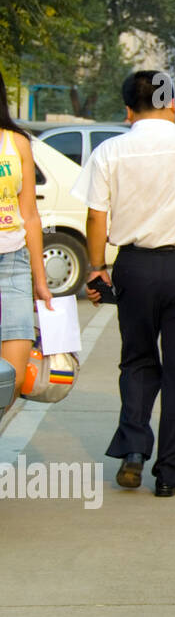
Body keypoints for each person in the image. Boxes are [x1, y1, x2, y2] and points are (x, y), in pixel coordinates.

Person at [75, 71, 175, 496]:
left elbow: (97, 215)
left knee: (136, 360)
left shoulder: (110, 150)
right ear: (172, 104)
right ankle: (171, 474)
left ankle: (133, 448)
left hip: (133, 268)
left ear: (128, 109)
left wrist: (97, 267)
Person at [0, 76, 54, 405]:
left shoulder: (17, 142)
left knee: (14, 379)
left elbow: (30, 214)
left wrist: (40, 279)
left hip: (12, 266)